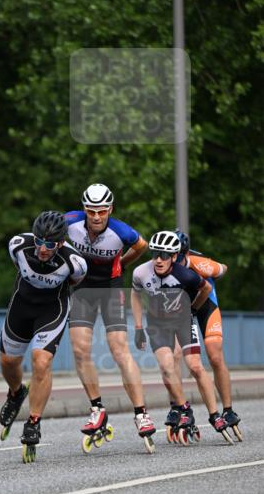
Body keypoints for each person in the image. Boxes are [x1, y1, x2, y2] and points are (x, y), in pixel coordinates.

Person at [64, 183, 155, 446]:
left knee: (118, 350)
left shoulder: (121, 231)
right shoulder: (69, 222)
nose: (96, 217)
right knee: (80, 350)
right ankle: (97, 409)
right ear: (84, 210)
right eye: (91, 211)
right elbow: (46, 232)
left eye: (101, 211)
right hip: (82, 289)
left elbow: (142, 245)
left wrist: (123, 263)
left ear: (110, 210)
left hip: (111, 287)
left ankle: (141, 413)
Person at [0, 210, 87, 461]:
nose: (42, 248)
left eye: (50, 244)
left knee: (41, 361)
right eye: (39, 241)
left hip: (52, 309)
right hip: (22, 306)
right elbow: (19, 267)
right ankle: (16, 394)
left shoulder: (75, 262)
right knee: (8, 362)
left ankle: (34, 421)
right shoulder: (18, 245)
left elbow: (75, 281)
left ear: (61, 243)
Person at [130, 231, 233, 443]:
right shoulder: (141, 272)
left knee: (197, 364)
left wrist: (193, 307)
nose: (159, 259)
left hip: (186, 318)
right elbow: (135, 294)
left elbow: (207, 286)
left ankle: (217, 413)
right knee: (168, 365)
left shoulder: (189, 272)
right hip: (158, 323)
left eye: (165, 255)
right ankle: (182, 407)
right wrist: (138, 327)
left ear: (175, 256)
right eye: (155, 254)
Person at [174, 230, 241, 439]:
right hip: (185, 312)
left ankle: (228, 410)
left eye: (175, 256)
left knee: (214, 355)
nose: (170, 260)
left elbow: (223, 269)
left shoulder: (197, 262)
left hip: (206, 308)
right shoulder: (161, 267)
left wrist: (214, 269)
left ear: (184, 254)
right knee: (176, 355)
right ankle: (178, 407)